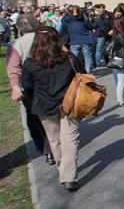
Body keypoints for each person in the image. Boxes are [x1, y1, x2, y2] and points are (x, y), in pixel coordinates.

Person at [20, 28, 85, 191]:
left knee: (54, 139)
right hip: (69, 103)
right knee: (70, 140)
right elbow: (82, 73)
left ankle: (63, 171)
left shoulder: (29, 63)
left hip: (44, 105)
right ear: (58, 40)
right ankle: (68, 176)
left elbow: (27, 85)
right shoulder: (68, 58)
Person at [7, 15, 52, 165]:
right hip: (49, 81)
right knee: (52, 114)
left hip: (29, 85)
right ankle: (51, 146)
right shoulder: (46, 38)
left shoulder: (15, 44)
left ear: (19, 27)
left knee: (34, 117)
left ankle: (44, 147)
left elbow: (13, 68)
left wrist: (15, 86)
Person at [60, 5, 97, 73]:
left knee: (73, 59)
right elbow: (90, 26)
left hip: (74, 41)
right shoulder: (83, 19)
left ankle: (75, 73)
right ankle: (87, 73)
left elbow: (64, 29)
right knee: (87, 58)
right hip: (86, 40)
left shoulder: (67, 20)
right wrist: (93, 21)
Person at [92, 3, 113, 68]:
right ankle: (98, 63)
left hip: (101, 34)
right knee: (99, 49)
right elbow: (102, 27)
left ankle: (100, 62)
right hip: (100, 35)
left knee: (102, 48)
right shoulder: (97, 18)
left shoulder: (105, 15)